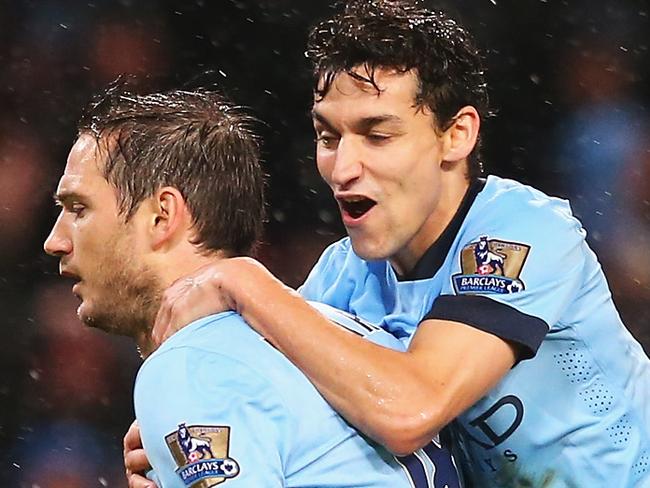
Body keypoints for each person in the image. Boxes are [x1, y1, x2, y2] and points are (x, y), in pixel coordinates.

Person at [124, 1, 650, 487]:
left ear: (457, 135)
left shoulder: (522, 231)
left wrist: (242, 278)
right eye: (328, 136)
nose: (341, 168)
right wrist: (179, 432)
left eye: (378, 136)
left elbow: (410, 410)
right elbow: (261, 394)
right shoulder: (341, 279)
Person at [44, 82, 456, 487]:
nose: (55, 241)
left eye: (78, 209)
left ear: (161, 217)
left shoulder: (192, 367)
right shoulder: (339, 341)